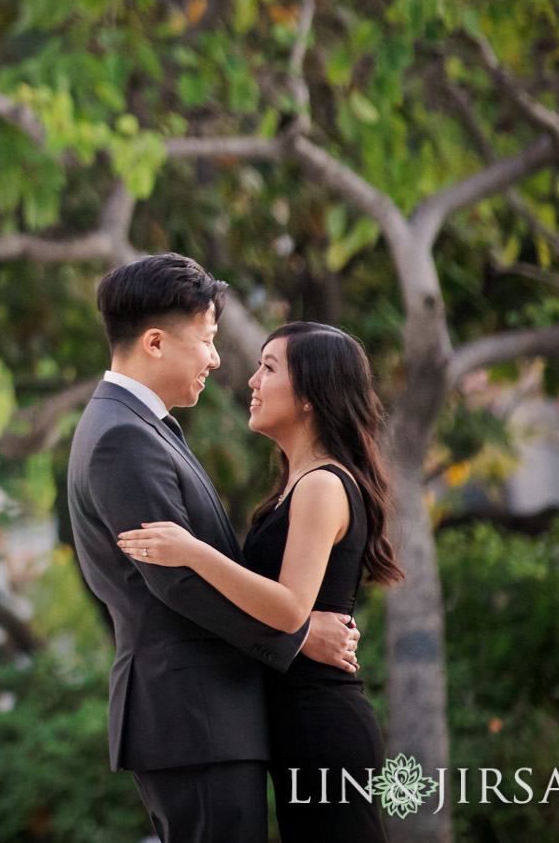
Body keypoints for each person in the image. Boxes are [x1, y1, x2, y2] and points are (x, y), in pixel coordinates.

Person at [68, 254, 362, 843]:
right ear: (154, 342)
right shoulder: (123, 436)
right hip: (193, 716)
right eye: (207, 340)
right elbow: (173, 581)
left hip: (202, 716)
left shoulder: (140, 426)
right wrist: (301, 635)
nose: (217, 358)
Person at [121, 322, 401, 842]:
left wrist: (192, 551)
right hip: (295, 721)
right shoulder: (294, 485)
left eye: (268, 368)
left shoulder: (322, 484)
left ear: (312, 396)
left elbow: (291, 607)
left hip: (320, 721)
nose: (251, 381)